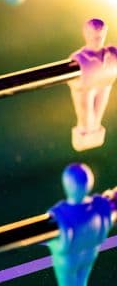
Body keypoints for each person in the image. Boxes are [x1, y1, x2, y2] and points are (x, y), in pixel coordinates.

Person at [48, 163, 112, 286]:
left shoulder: (60, 215)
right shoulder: (99, 207)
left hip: (68, 263)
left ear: (67, 186)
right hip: (89, 256)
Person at [68, 19, 117, 151]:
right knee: (87, 120)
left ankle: (91, 135)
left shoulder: (112, 54)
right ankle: (86, 136)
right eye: (94, 34)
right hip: (86, 87)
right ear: (86, 34)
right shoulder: (79, 59)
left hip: (104, 84)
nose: (97, 38)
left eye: (100, 34)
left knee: (95, 120)